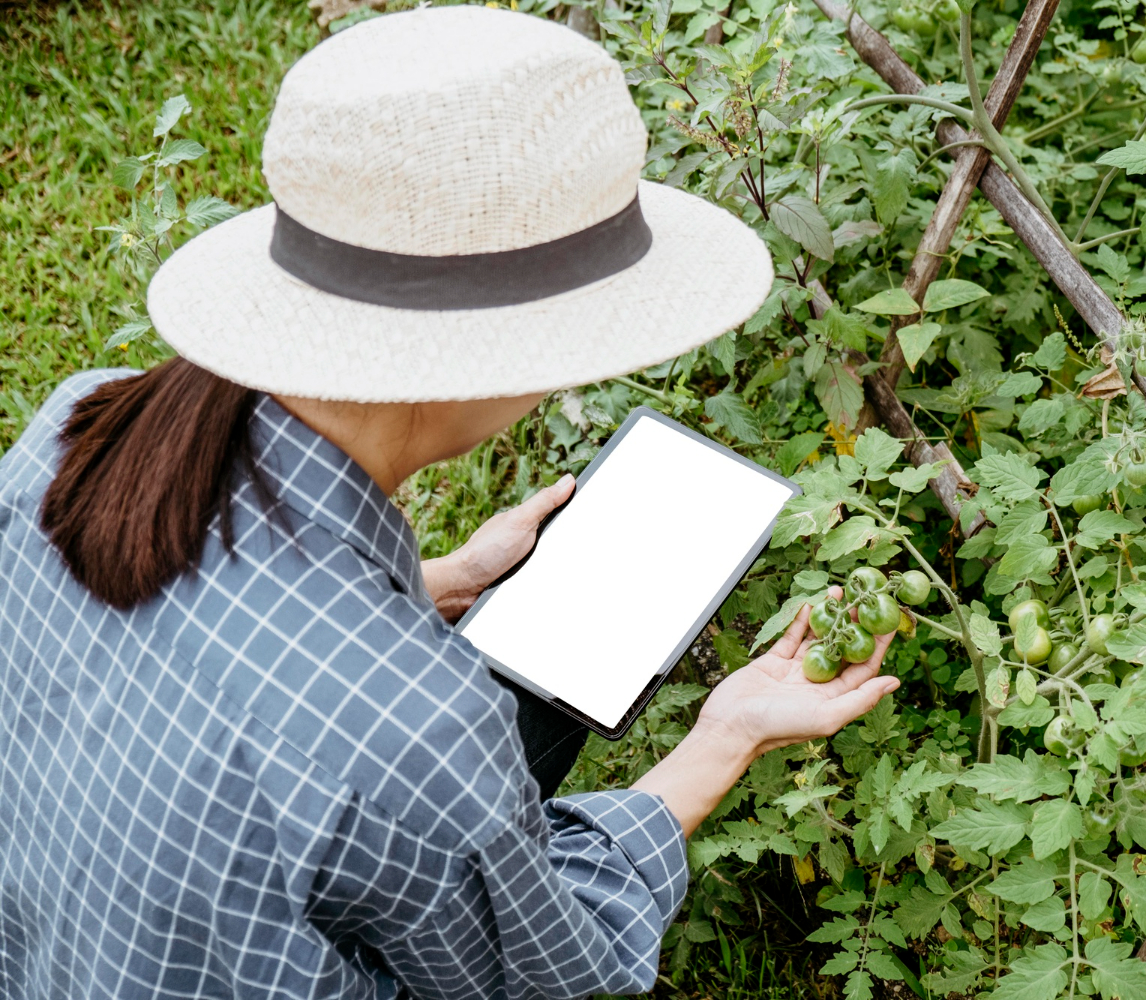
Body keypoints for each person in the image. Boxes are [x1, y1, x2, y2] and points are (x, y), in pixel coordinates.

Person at [0, 8, 900, 999]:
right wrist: (725, 733)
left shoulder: (75, 432)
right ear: (498, 355)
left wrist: (435, 584)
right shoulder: (416, 725)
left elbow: (210, 648)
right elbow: (551, 962)